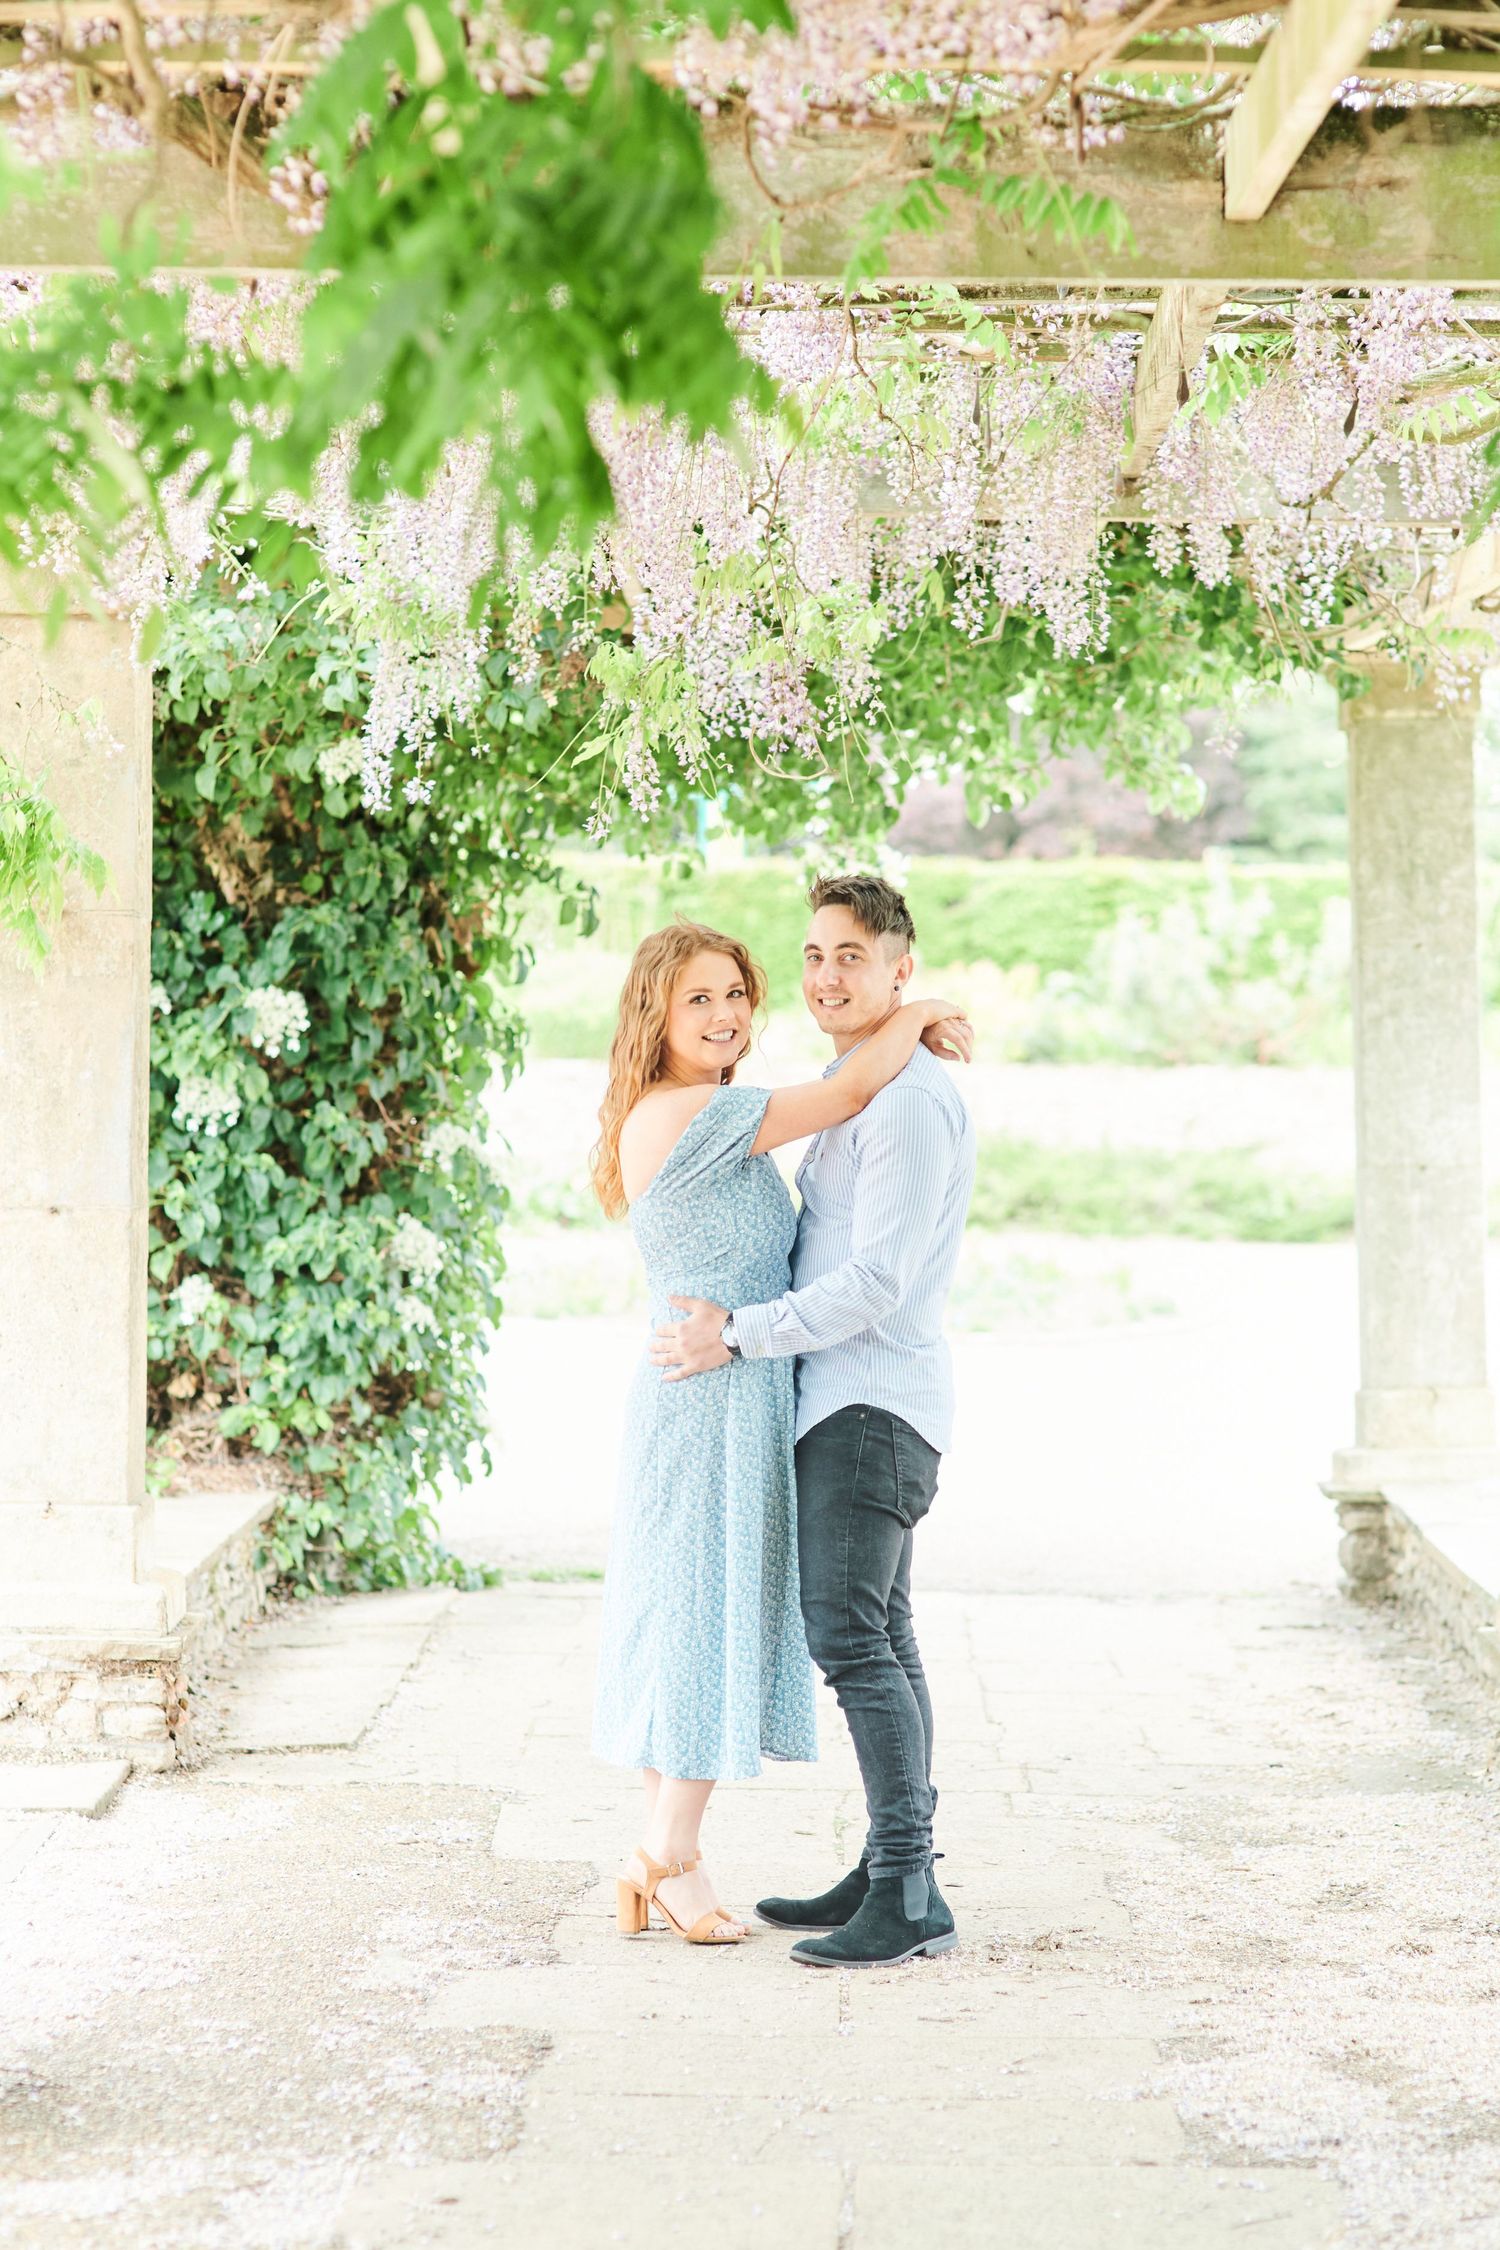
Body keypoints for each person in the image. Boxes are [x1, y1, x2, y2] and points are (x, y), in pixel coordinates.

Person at [590, 918, 971, 1949]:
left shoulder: (714, 1107)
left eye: (733, 996)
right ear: (656, 1017)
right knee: (705, 1621)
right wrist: (923, 1008)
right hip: (707, 1395)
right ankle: (661, 1856)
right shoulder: (688, 1112)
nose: (724, 1016)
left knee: (697, 1618)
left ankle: (675, 1860)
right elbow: (848, 1091)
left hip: (733, 1386)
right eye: (698, 1000)